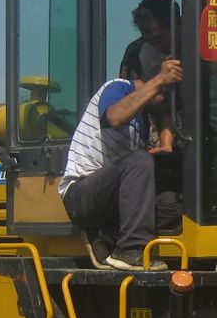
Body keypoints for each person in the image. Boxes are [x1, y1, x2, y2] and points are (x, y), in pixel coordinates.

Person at [59, 58, 183, 271]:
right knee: (140, 160)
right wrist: (160, 80)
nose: (168, 103)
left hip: (112, 202)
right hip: (81, 195)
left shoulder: (142, 120)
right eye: (168, 95)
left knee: (176, 205)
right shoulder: (118, 88)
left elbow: (163, 114)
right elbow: (114, 117)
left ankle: (106, 233)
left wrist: (166, 145)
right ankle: (129, 250)